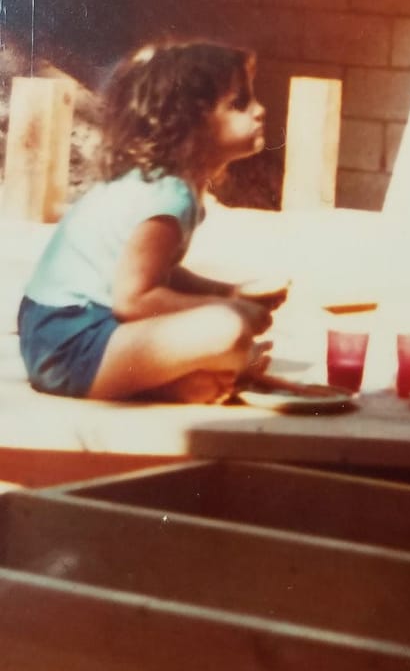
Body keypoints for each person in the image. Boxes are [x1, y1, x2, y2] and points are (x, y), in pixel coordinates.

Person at [18, 40, 288, 405]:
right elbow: (135, 299)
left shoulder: (171, 189)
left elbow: (162, 273)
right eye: (239, 103)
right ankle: (164, 382)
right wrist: (224, 309)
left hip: (68, 333)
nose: (259, 110)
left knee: (229, 336)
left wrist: (228, 293)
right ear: (190, 124)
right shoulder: (167, 198)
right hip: (70, 339)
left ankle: (178, 382)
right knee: (229, 333)